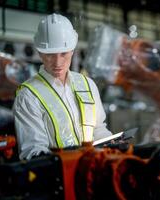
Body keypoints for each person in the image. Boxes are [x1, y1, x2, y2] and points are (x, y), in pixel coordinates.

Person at [13, 13, 112, 160]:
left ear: (72, 50)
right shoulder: (28, 96)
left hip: (92, 170)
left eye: (64, 53)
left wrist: (112, 145)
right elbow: (33, 150)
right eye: (50, 55)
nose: (58, 62)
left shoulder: (87, 85)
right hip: (60, 176)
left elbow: (98, 129)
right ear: (40, 53)